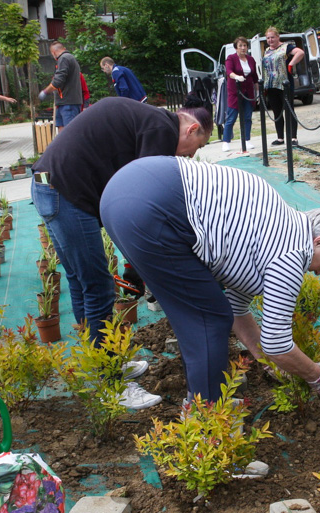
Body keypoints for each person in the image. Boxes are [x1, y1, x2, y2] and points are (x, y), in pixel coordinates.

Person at [101, 157, 320, 405]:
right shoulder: (293, 253)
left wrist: (264, 360)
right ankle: (206, 420)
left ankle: (204, 402)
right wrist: (315, 374)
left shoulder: (275, 227)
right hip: (152, 211)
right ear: (319, 241)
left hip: (122, 191)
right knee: (207, 321)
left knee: (212, 312)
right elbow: (277, 342)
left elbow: (237, 309)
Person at [30, 97, 212, 409]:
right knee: (98, 286)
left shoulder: (150, 122)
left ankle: (101, 363)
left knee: (80, 281)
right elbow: (141, 203)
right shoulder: (161, 130)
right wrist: (138, 270)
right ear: (191, 128)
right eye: (197, 146)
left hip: (49, 186)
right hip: (65, 192)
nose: (191, 155)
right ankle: (112, 382)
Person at [262, 27, 304, 146]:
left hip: (284, 84)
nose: (270, 40)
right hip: (271, 85)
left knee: (289, 110)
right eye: (268, 38)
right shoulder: (267, 50)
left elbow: (300, 52)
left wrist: (291, 63)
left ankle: (293, 137)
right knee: (276, 111)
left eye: (272, 37)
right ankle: (280, 137)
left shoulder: (286, 47)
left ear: (278, 37)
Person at [222, 37, 258, 152]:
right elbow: (229, 72)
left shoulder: (251, 59)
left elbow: (254, 76)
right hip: (235, 92)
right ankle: (226, 142)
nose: (243, 48)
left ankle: (247, 140)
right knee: (231, 117)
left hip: (248, 91)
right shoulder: (231, 58)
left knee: (247, 117)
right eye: (240, 46)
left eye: (245, 45)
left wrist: (257, 92)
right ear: (236, 48)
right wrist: (236, 76)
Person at [39, 42, 83, 128]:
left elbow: (58, 81)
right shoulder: (69, 58)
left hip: (68, 104)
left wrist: (45, 91)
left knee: (69, 132)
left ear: (54, 52)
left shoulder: (64, 59)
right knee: (62, 132)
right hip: (65, 103)